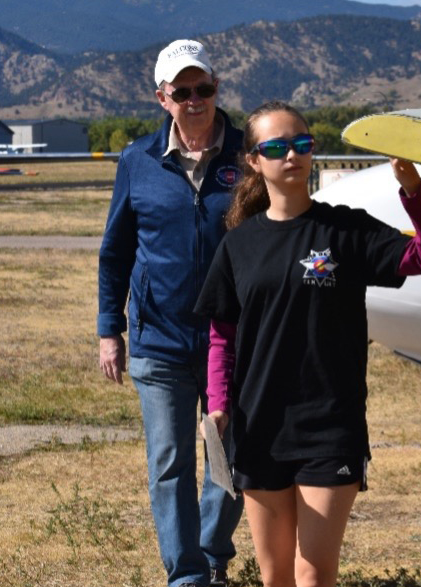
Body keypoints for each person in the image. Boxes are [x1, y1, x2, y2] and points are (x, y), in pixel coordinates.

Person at [193, 101, 421, 587]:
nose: (292, 155)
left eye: (302, 144)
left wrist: (412, 188)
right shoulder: (238, 244)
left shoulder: (347, 230)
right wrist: (220, 408)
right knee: (276, 577)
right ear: (253, 160)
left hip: (330, 427)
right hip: (259, 428)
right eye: (275, 147)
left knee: (313, 574)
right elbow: (221, 336)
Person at [97, 39, 244, 587]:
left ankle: (209, 553)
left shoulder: (249, 155)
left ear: (216, 88)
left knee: (230, 458)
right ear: (162, 98)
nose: (194, 100)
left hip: (233, 338)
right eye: (181, 92)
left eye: (203, 88)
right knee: (169, 464)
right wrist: (109, 330)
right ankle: (186, 577)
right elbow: (115, 253)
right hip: (159, 339)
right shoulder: (138, 161)